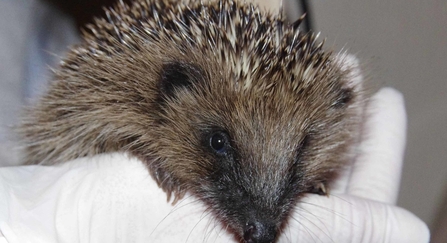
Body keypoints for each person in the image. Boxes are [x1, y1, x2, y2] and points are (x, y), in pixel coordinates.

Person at [0, 87, 429, 242]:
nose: (260, 230)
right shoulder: (119, 99)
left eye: (295, 160)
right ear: (170, 93)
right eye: (219, 144)